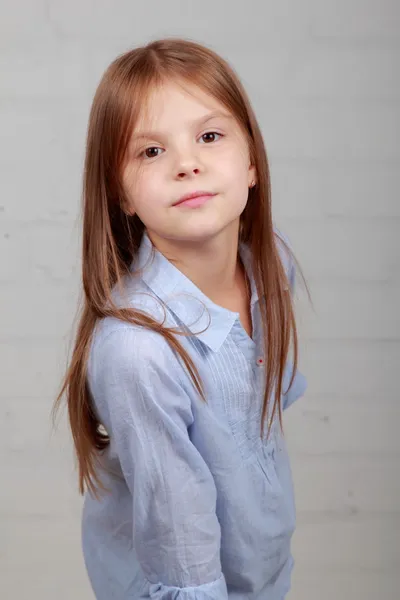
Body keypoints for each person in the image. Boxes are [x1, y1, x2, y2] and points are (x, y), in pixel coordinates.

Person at [55, 38, 307, 600]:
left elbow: (261, 420)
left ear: (251, 165)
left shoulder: (272, 267)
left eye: (209, 136)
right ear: (120, 193)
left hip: (262, 577)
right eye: (150, 152)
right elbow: (182, 558)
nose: (187, 163)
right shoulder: (138, 353)